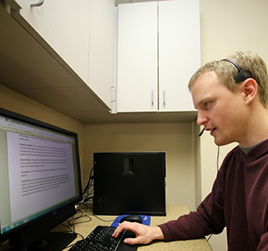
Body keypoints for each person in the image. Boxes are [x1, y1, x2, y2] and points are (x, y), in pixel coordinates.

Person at [113, 51, 268, 250]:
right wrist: (155, 231)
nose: (200, 120)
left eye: (207, 104)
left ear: (247, 91)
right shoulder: (234, 161)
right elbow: (208, 217)